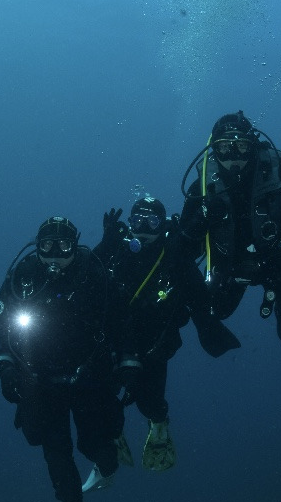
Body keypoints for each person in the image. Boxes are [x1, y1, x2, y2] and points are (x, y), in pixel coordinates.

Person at [0, 215, 124, 502]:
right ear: (36, 245)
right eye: (47, 245)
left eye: (64, 246)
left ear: (75, 245)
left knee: (94, 444)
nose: (55, 255)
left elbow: (120, 319)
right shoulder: (24, 274)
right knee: (54, 449)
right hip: (39, 382)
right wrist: (5, 366)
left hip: (88, 377)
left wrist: (124, 363)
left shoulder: (92, 273)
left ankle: (108, 459)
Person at [94, 196, 240, 472]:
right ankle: (112, 434)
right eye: (138, 221)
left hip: (155, 344)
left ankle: (158, 422)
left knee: (149, 402)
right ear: (129, 223)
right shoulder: (117, 250)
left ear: (162, 225)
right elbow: (87, 281)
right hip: (115, 342)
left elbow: (200, 299)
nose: (144, 229)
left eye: (152, 222)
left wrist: (207, 322)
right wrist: (105, 244)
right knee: (104, 396)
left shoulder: (175, 255)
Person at [177, 111, 281, 345]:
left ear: (253, 147)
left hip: (274, 262)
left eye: (241, 146)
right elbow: (182, 249)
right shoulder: (201, 190)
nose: (234, 156)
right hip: (228, 269)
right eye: (224, 147)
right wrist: (203, 216)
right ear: (213, 150)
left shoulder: (279, 177)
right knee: (217, 310)